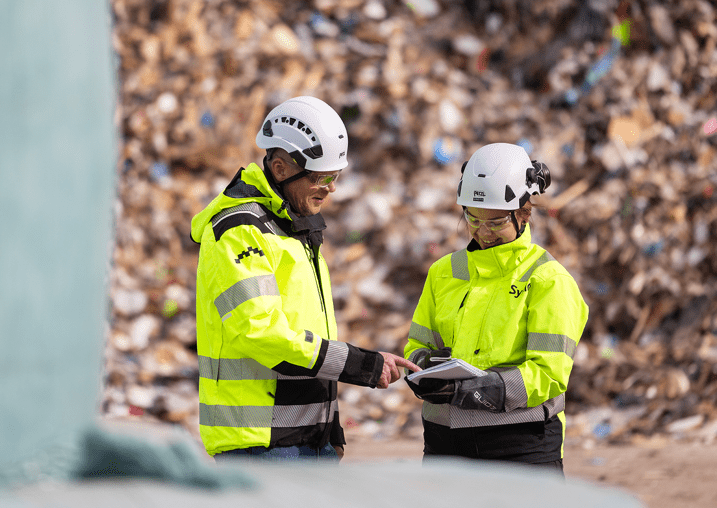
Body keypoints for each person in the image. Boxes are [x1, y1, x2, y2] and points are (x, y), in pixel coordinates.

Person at [190, 95, 420, 462]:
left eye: (336, 177)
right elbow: (260, 331)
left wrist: (331, 426)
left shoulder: (294, 231)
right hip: (262, 443)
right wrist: (362, 365)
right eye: (323, 178)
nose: (332, 189)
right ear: (280, 168)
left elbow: (312, 334)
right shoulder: (239, 232)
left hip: (308, 439)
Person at [404, 143, 589, 475]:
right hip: (445, 446)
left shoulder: (549, 280)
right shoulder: (443, 273)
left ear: (525, 213)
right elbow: (417, 347)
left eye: (495, 222)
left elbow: (548, 374)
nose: (482, 232)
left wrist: (487, 390)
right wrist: (424, 369)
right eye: (472, 219)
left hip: (520, 448)